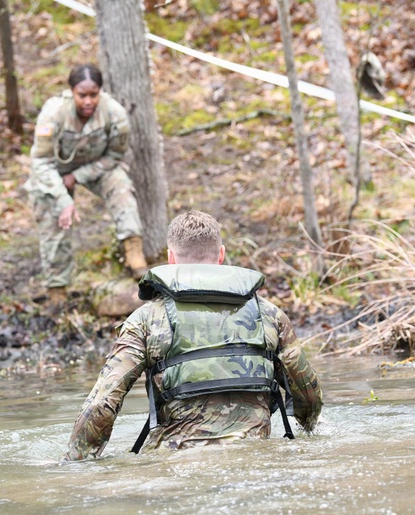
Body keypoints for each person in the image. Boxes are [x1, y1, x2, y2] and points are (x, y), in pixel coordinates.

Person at [63, 210, 323, 461]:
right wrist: (309, 430)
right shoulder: (269, 315)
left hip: (175, 465)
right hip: (255, 458)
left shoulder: (145, 319)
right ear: (221, 255)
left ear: (170, 259)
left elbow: (102, 404)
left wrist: (75, 463)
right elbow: (308, 396)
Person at [25, 64, 149, 308]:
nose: (88, 101)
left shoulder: (114, 114)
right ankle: (57, 290)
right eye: (82, 95)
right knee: (56, 221)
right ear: (72, 92)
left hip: (95, 166)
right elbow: (40, 162)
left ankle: (135, 256)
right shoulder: (54, 113)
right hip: (53, 174)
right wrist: (64, 199)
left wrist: (78, 176)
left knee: (121, 187)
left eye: (94, 94)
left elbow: (114, 157)